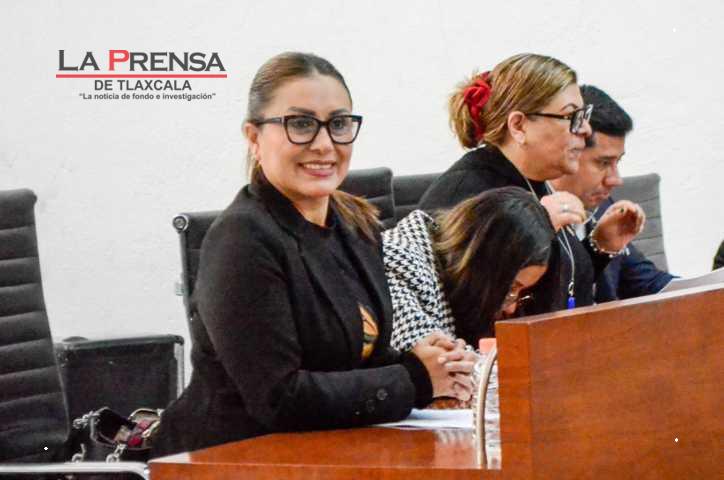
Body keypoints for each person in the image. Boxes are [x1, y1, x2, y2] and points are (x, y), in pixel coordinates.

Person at [152, 52, 473, 458]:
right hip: (228, 459)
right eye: (301, 124)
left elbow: (350, 360)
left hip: (326, 453)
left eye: (338, 124)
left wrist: (432, 363)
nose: (324, 145)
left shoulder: (356, 224)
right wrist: (415, 378)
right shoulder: (242, 239)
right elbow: (279, 398)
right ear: (254, 138)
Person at [419, 53, 645, 314]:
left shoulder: (535, 183)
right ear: (519, 126)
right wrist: (534, 229)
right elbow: (466, 311)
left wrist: (600, 247)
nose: (585, 129)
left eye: (584, 115)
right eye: (571, 116)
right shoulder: (466, 194)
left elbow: (556, 292)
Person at [384, 187, 555, 352]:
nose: (511, 309)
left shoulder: (459, 273)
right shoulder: (399, 258)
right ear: (485, 260)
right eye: (511, 288)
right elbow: (437, 358)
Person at [550, 85, 675, 302]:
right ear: (569, 152)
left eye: (618, 162)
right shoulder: (532, 217)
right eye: (604, 163)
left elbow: (648, 283)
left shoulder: (603, 206)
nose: (615, 180)